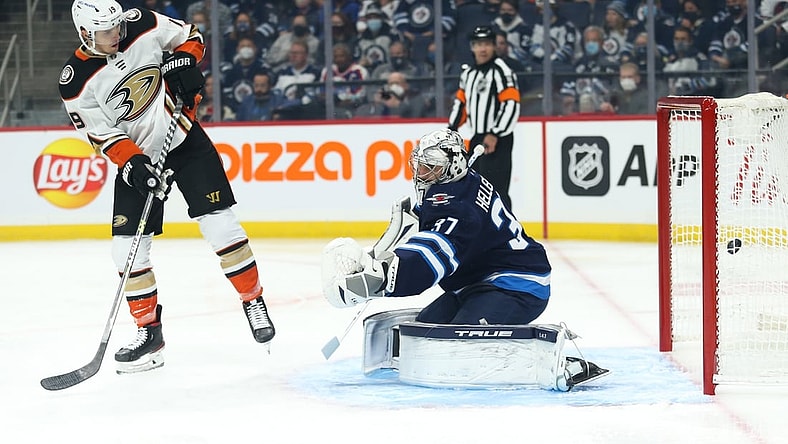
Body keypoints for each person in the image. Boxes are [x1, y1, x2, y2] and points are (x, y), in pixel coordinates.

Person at [60, 0, 275, 374]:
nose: (116, 35)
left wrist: (185, 62)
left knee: (220, 224)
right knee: (125, 250)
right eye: (106, 31)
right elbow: (101, 133)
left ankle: (253, 300)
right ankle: (149, 333)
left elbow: (190, 37)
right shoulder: (75, 81)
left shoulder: (140, 22)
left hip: (185, 140)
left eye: (117, 27)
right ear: (85, 34)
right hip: (140, 160)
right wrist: (132, 162)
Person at [322, 128, 552, 327]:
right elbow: (432, 230)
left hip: (518, 285)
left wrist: (387, 278)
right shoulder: (462, 182)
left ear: (452, 167)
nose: (421, 173)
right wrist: (377, 258)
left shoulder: (461, 209)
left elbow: (435, 253)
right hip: (476, 283)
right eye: (420, 165)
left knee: (456, 341)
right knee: (425, 329)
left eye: (431, 167)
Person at [448, 26, 520, 210]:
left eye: (487, 44)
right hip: (478, 138)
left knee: (496, 190)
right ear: (472, 47)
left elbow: (511, 104)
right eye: (478, 44)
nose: (483, 49)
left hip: (498, 139)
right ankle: (481, 233)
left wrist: (495, 133)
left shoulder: (501, 71)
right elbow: (461, 104)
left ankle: (505, 233)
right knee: (475, 189)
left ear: (494, 46)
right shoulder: (468, 73)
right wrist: (451, 130)